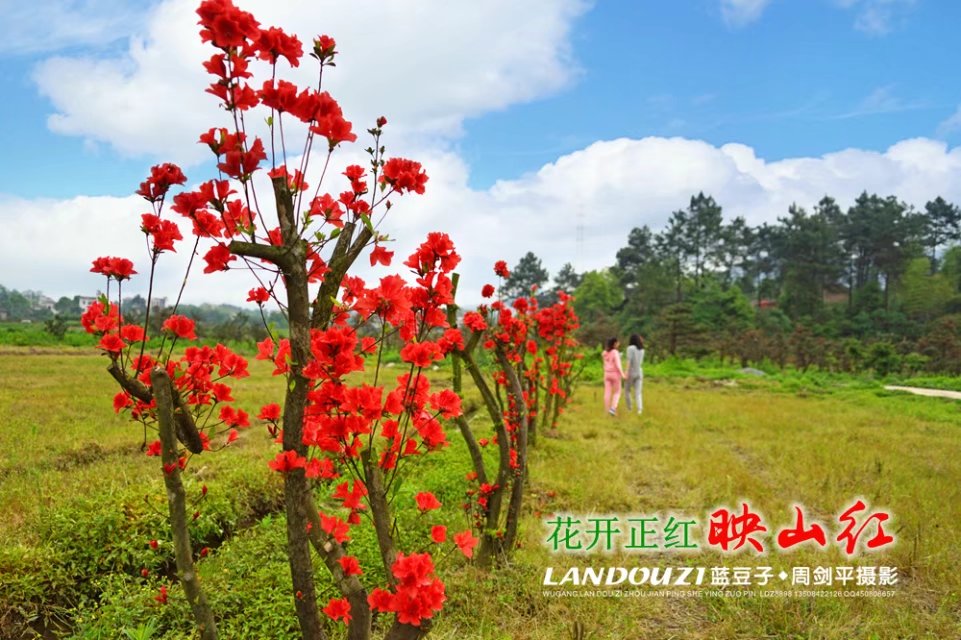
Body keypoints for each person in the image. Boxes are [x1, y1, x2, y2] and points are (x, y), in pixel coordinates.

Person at [602, 337, 626, 416]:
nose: (619, 344)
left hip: (606, 374)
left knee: (607, 392)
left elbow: (604, 363)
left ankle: (606, 411)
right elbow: (618, 365)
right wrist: (622, 374)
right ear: (614, 343)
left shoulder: (604, 353)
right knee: (617, 392)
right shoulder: (615, 352)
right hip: (615, 374)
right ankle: (613, 408)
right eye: (618, 343)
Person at [625, 334, 645, 414]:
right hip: (639, 371)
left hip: (631, 371)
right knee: (638, 392)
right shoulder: (642, 349)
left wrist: (626, 371)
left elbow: (629, 361)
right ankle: (639, 409)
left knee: (627, 390)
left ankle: (630, 408)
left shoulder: (630, 348)